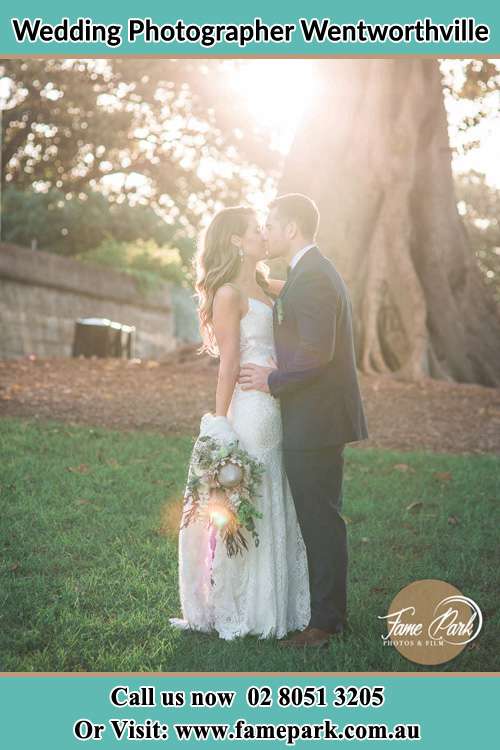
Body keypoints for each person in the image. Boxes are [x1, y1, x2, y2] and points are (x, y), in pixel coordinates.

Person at [169, 206, 310, 640]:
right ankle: (246, 606)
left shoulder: (270, 287)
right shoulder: (230, 293)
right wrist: (219, 423)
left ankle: (276, 602)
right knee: (250, 503)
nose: (263, 236)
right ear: (236, 241)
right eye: (255, 231)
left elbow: (313, 290)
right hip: (252, 408)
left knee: (273, 497)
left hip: (279, 400)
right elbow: (228, 362)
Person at [239, 193, 368, 648]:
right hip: (316, 417)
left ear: (291, 228)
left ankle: (325, 624)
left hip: (316, 420)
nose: (266, 232)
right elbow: (291, 310)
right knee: (320, 517)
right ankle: (326, 615)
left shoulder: (313, 277)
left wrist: (271, 378)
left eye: (271, 225)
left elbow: (317, 353)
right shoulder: (307, 274)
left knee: (319, 521)